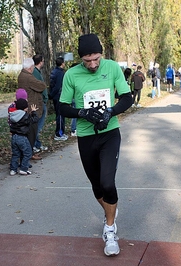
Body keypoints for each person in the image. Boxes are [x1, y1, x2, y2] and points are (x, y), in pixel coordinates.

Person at [59, 33, 132, 257]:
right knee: (97, 186)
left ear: (102, 55)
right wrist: (82, 112)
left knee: (107, 183)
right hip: (86, 136)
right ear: (80, 59)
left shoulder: (111, 68)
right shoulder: (71, 74)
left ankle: (110, 229)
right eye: (87, 61)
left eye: (96, 59)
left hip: (109, 133)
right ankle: (110, 210)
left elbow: (127, 98)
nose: (92, 65)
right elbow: (62, 107)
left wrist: (111, 111)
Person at [17, 58, 46, 161]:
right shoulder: (29, 77)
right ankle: (29, 153)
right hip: (31, 107)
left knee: (29, 132)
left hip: (26, 106)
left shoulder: (21, 75)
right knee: (32, 132)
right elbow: (41, 86)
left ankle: (27, 152)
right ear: (30, 68)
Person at [9, 98, 39, 176]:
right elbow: (34, 120)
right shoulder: (25, 116)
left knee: (15, 154)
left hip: (14, 137)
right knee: (28, 153)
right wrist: (34, 111)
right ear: (25, 108)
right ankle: (23, 169)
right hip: (22, 137)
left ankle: (13, 169)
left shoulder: (13, 115)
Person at [32, 54, 48, 152]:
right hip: (39, 102)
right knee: (37, 126)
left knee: (37, 126)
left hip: (41, 101)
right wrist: (44, 99)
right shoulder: (35, 73)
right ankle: (33, 144)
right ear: (40, 61)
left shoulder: (36, 72)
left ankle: (37, 144)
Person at [50, 57, 67, 140]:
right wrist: (52, 94)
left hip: (55, 96)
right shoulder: (60, 73)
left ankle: (60, 132)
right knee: (60, 115)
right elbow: (57, 86)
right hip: (59, 96)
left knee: (59, 114)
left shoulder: (54, 71)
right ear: (62, 63)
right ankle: (59, 133)